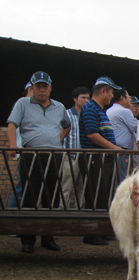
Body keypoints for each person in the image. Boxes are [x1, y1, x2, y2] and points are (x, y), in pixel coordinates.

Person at [6, 71, 71, 253]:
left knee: (52, 195)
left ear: (50, 88)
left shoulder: (59, 106)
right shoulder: (23, 104)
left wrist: (57, 140)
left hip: (53, 155)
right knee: (30, 195)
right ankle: (28, 239)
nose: (42, 90)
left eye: (45, 86)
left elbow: (67, 125)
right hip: (31, 154)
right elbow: (12, 125)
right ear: (33, 88)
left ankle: (48, 238)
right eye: (38, 86)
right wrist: (12, 144)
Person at [79, 76, 123, 246]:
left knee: (103, 194)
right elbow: (92, 134)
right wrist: (114, 148)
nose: (112, 96)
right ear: (103, 91)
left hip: (103, 158)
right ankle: (91, 233)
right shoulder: (90, 108)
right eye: (111, 92)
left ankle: (102, 230)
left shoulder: (99, 109)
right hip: (94, 158)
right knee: (95, 193)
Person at [60, 86, 89, 208]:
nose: (86, 100)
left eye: (88, 98)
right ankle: (61, 213)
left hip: (84, 159)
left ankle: (80, 215)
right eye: (83, 97)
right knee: (66, 188)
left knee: (82, 190)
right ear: (75, 99)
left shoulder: (88, 116)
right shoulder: (66, 114)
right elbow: (59, 135)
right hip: (70, 158)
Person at [7, 81, 34, 209]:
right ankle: (11, 210)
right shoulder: (22, 104)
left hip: (30, 152)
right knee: (23, 185)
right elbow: (13, 128)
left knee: (27, 184)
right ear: (30, 90)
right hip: (23, 150)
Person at [107, 87, 138, 184]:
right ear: (122, 98)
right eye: (128, 97)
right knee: (122, 181)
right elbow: (137, 127)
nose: (129, 100)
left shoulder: (109, 110)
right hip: (122, 151)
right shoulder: (124, 111)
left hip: (112, 149)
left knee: (114, 180)